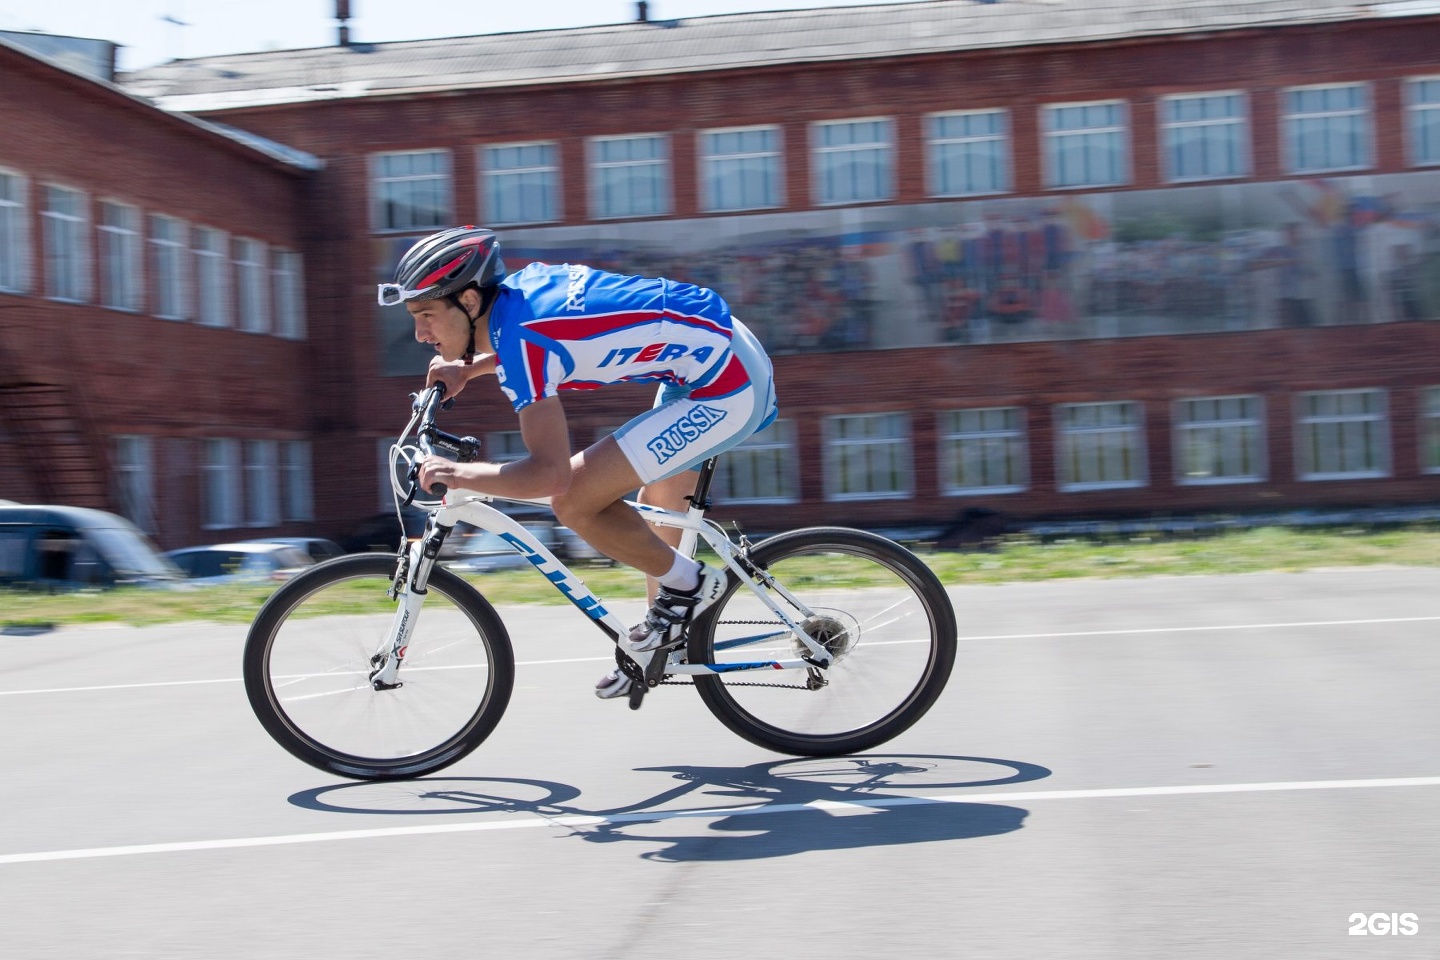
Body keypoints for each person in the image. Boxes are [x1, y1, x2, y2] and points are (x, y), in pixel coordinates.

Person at [378, 226, 778, 700]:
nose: (421, 334)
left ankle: (693, 587)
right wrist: (471, 367)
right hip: (711, 352)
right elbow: (555, 334)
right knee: (658, 504)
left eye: (426, 315)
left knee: (573, 501)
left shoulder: (525, 342)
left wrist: (458, 473)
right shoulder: (518, 296)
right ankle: (661, 645)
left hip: (728, 388)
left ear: (468, 301)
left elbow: (550, 474)